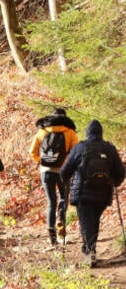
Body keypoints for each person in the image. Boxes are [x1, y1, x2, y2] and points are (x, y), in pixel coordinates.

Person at [60, 119, 125, 267]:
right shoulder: (109, 149)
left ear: (87, 133)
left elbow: (65, 171)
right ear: (101, 133)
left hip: (82, 193)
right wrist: (114, 182)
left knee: (87, 223)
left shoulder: (79, 148)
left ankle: (89, 253)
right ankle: (91, 251)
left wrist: (64, 182)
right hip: (103, 194)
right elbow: (121, 172)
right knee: (93, 222)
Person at [29, 107, 78, 246]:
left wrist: (42, 161)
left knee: (51, 201)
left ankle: (52, 237)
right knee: (63, 197)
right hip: (63, 171)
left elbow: (32, 151)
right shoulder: (69, 132)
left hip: (46, 171)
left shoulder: (42, 131)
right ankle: (61, 218)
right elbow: (76, 152)